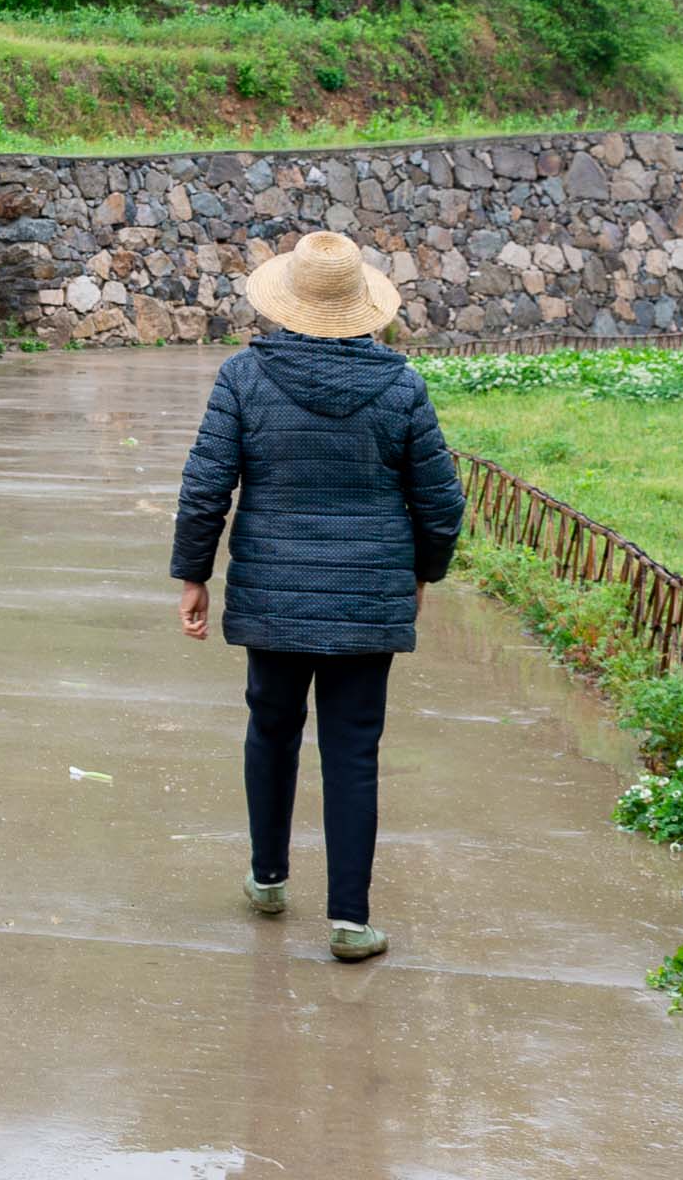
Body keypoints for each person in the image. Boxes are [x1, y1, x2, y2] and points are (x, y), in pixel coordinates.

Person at [170, 229, 464, 961]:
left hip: (274, 592)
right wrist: (423, 574)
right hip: (367, 598)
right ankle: (349, 921)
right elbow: (440, 503)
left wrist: (193, 574)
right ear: (363, 306)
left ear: (285, 302)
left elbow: (206, 487)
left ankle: (268, 879)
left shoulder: (244, 377)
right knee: (353, 751)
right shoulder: (401, 386)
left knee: (270, 730)